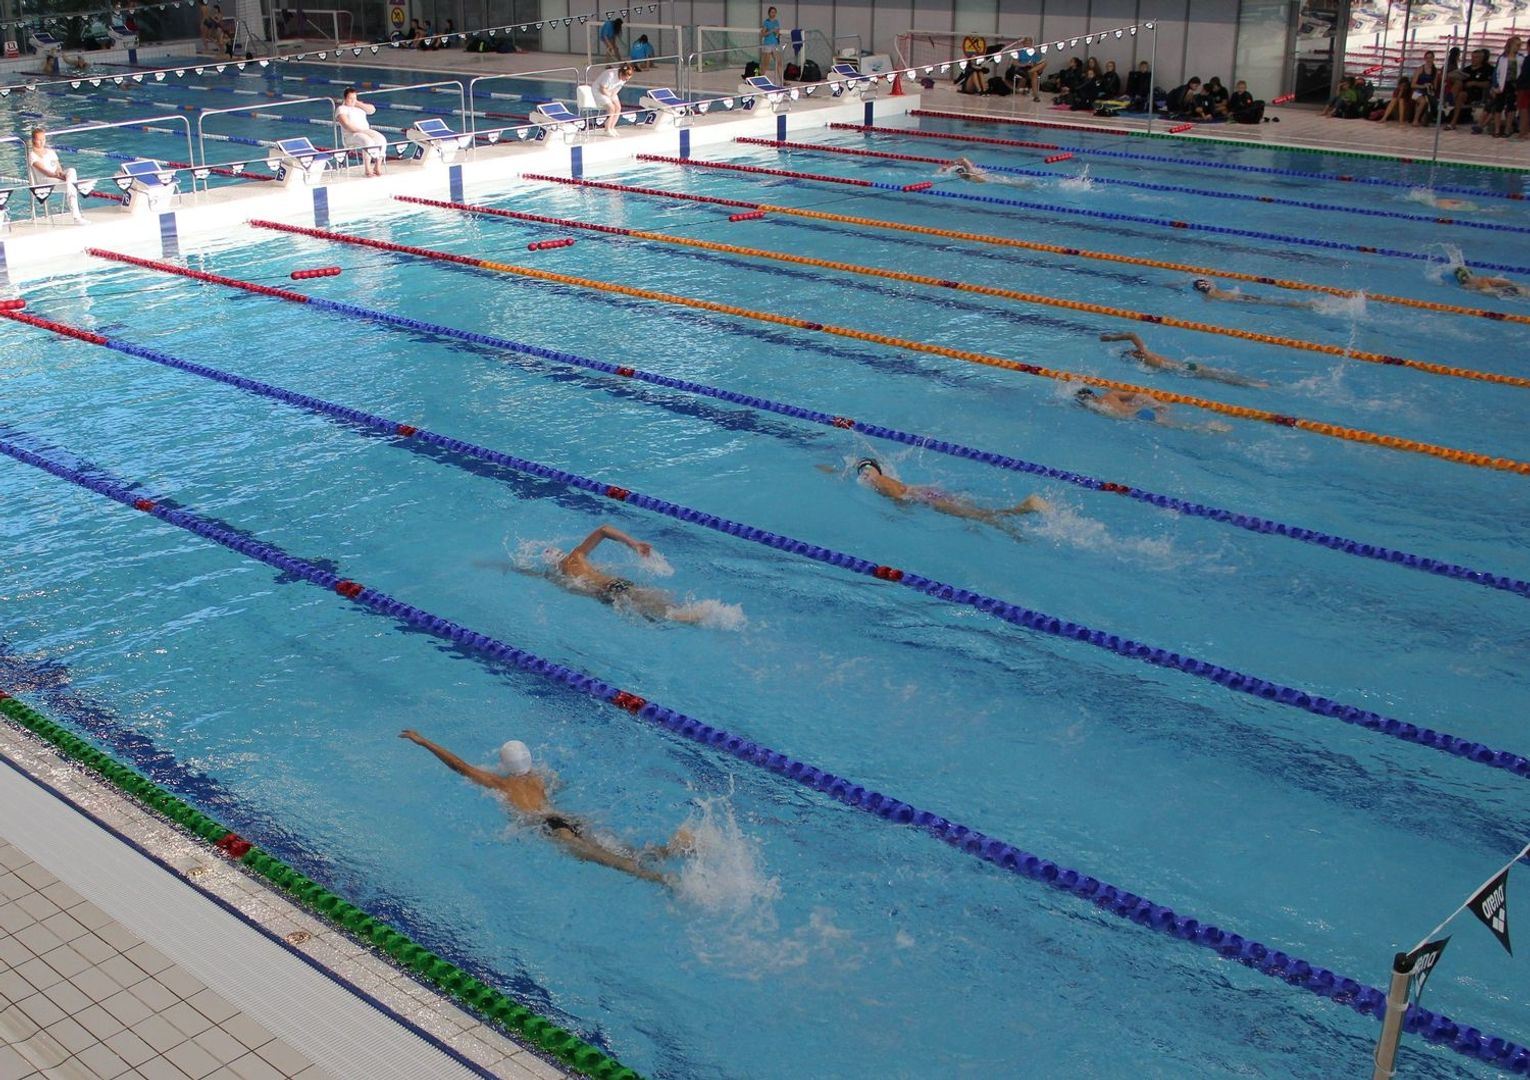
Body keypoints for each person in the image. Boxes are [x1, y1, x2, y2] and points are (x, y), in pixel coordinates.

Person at [399, 731, 694, 887]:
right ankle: (673, 849)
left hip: (549, 827)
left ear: (504, 764)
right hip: (565, 818)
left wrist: (424, 742)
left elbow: (460, 766)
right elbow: (558, 785)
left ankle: (659, 879)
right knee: (622, 849)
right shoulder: (540, 776)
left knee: (606, 859)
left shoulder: (501, 784)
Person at [548, 524, 721, 624]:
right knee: (664, 609)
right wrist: (633, 544)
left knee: (669, 615)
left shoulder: (559, 575)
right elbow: (604, 529)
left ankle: (708, 616)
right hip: (615, 585)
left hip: (609, 592)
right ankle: (707, 614)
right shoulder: (576, 556)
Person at [821, 458, 1048, 534]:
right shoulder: (879, 478)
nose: (865, 475)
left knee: (978, 515)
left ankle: (1023, 510)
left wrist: (898, 511)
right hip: (928, 493)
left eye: (866, 471)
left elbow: (899, 495)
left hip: (927, 498)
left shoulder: (877, 480)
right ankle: (1016, 517)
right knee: (973, 512)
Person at [1100, 332, 1268, 388]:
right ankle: (1255, 382)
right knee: (1221, 375)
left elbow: (1132, 335)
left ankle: (1255, 384)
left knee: (1222, 378)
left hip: (1187, 369)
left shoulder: (1146, 357)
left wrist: (1112, 338)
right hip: (1188, 366)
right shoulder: (1147, 358)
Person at [1073, 387, 1231, 433]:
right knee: (1177, 424)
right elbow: (1138, 395)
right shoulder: (1110, 395)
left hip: (1138, 418)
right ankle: (1207, 426)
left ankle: (1208, 428)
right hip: (1141, 411)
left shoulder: (1094, 408)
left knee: (1179, 427)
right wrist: (1157, 405)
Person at [27, 128, 85, 225]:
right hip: (45, 181)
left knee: (72, 171)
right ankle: (76, 217)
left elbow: (58, 168)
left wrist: (61, 174)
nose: (42, 142)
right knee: (72, 186)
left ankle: (76, 217)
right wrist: (59, 177)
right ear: (33, 140)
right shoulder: (32, 155)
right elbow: (45, 172)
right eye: (39, 139)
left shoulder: (50, 152)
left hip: (57, 179)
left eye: (43, 139)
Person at [335, 86, 386, 176]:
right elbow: (346, 124)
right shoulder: (341, 109)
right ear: (345, 98)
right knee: (367, 141)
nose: (352, 101)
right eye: (350, 98)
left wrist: (358, 103)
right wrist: (361, 131)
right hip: (351, 135)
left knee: (382, 140)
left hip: (365, 131)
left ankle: (377, 167)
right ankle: (367, 169)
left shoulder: (358, 107)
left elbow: (372, 110)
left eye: (354, 98)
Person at [1193, 277, 1318, 310]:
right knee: (1272, 301)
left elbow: (1207, 302)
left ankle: (1303, 305)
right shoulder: (1214, 289)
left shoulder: (1209, 295)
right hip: (1239, 296)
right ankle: (1303, 304)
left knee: (1274, 303)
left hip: (1240, 299)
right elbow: (1210, 281)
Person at [1446, 47, 1493, 130]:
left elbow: (1488, 83)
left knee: (1461, 95)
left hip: (1477, 93)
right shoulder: (1467, 69)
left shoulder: (1487, 69)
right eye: (1472, 57)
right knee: (1458, 83)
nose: (1473, 59)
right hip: (1464, 89)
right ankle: (1451, 98)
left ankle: (1453, 122)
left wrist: (1474, 83)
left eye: (1476, 57)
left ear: (1482, 59)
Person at [1489, 37, 1523, 138]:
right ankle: (1497, 129)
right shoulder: (1502, 58)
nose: (1518, 47)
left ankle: (1508, 129)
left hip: (1514, 85)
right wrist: (1495, 86)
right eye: (1516, 45)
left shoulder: (1521, 58)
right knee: (1498, 107)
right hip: (1502, 84)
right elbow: (1496, 72)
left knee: (1511, 107)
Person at [936, 156, 1033, 188]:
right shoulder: (965, 171)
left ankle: (1022, 185)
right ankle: (1022, 185)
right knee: (1003, 182)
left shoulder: (969, 169)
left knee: (1003, 183)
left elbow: (963, 159)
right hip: (981, 175)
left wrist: (947, 166)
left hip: (978, 175)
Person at [594, 63, 632, 137]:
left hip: (610, 91)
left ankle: (612, 127)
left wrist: (612, 96)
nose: (626, 80)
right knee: (611, 108)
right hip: (598, 91)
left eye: (627, 79)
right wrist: (610, 97)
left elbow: (616, 90)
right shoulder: (610, 75)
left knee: (618, 107)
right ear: (621, 74)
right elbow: (602, 89)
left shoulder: (624, 78)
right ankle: (607, 129)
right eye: (625, 78)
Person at [1004, 37, 1045, 101]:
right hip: (1022, 68)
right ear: (1023, 44)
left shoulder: (1034, 53)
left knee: (1044, 63)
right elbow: (1014, 63)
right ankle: (1036, 96)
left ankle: (1031, 72)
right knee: (1034, 74)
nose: (1028, 44)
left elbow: (1037, 62)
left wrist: (1035, 64)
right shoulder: (1020, 52)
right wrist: (1025, 64)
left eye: (1029, 43)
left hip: (1032, 68)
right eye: (1026, 43)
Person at [1454, 266, 1529, 298]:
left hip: (1499, 292)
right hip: (1512, 288)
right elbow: (1508, 282)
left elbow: (1489, 292)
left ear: (1463, 278)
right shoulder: (1484, 278)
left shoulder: (1466, 285)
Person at [1413, 51, 1442, 126]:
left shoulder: (1435, 71)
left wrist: (1431, 88)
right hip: (1417, 91)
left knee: (1433, 101)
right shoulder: (1420, 69)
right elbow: (1413, 85)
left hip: (1428, 92)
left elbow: (1435, 86)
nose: (1429, 60)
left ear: (1433, 58)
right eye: (1427, 58)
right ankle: (1415, 120)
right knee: (1423, 101)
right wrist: (1423, 86)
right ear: (1425, 59)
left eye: (1430, 58)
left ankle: (1428, 118)